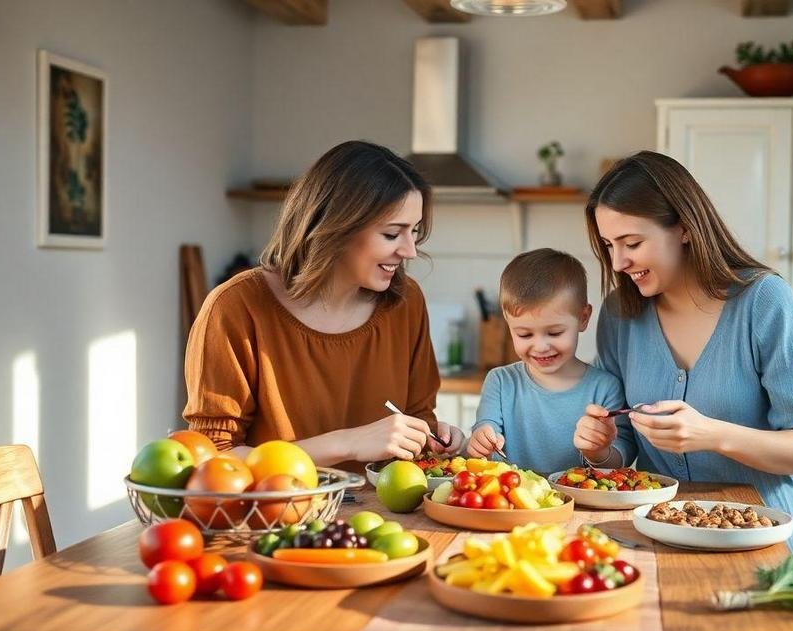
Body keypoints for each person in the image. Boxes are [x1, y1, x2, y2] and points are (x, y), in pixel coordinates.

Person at [573, 151, 793, 551]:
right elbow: (624, 441)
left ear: (684, 228)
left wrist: (712, 435)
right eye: (609, 245)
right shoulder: (620, 314)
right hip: (663, 535)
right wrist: (602, 448)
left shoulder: (765, 302)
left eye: (632, 242)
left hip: (768, 542)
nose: (619, 261)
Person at [183, 140, 465, 466]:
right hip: (279, 515)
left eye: (414, 231)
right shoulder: (236, 308)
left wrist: (432, 437)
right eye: (391, 234)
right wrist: (347, 443)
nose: (410, 251)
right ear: (337, 228)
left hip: (380, 515)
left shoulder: (405, 302)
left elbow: (417, 417)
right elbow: (213, 457)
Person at [467, 249, 629, 476]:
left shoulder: (605, 387)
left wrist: (599, 453)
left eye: (554, 333)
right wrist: (480, 441)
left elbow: (622, 455)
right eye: (524, 335)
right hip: (513, 503)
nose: (540, 346)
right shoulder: (501, 382)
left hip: (580, 503)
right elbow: (485, 431)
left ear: (583, 318)